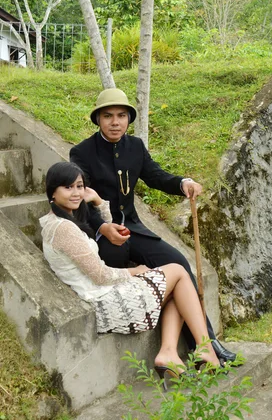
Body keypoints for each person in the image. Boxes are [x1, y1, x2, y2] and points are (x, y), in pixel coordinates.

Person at [69, 88, 237, 364]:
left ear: (128, 119)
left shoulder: (134, 147)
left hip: (134, 229)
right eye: (108, 115)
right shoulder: (82, 153)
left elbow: (155, 175)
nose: (115, 122)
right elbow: (80, 199)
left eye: (121, 115)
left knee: (179, 263)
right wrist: (102, 228)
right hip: (103, 235)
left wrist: (182, 183)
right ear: (98, 119)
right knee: (121, 262)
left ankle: (206, 344)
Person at [40, 162, 220, 388]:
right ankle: (204, 349)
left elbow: (107, 231)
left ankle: (170, 353)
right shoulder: (64, 229)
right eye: (68, 187)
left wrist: (97, 201)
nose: (76, 193)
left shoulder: (58, 220)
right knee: (177, 271)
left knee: (176, 283)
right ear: (52, 191)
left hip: (102, 296)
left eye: (79, 186)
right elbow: (100, 275)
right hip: (106, 303)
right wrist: (135, 271)